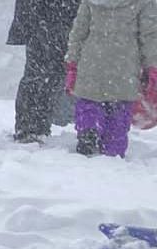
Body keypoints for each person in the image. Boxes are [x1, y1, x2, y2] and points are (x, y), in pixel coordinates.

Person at [64, 0, 157, 156]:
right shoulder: (143, 3)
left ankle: (88, 134)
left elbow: (78, 32)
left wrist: (72, 61)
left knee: (89, 103)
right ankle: (113, 150)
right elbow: (150, 37)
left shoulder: (90, 2)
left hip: (92, 63)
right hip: (124, 65)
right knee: (119, 111)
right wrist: (152, 65)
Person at [10, 0, 84, 142]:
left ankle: (31, 127)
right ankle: (32, 127)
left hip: (46, 20)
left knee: (42, 77)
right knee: (43, 77)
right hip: (52, 20)